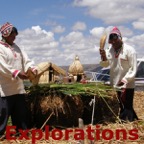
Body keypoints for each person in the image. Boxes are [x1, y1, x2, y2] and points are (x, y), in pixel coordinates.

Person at [0, 22, 37, 136]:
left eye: (15, 35)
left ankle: (21, 133)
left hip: (18, 89)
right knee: (2, 114)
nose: (14, 38)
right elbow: (2, 66)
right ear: (5, 35)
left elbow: (26, 60)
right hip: (5, 90)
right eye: (12, 35)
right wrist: (16, 73)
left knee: (20, 114)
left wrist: (31, 68)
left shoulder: (17, 48)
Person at [99, 26, 138, 122]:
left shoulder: (130, 50)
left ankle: (127, 121)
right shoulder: (109, 50)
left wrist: (124, 80)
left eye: (115, 41)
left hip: (127, 84)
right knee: (121, 104)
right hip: (115, 82)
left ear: (120, 38)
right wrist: (103, 56)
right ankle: (131, 120)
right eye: (112, 42)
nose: (114, 44)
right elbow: (106, 64)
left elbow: (133, 68)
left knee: (127, 104)